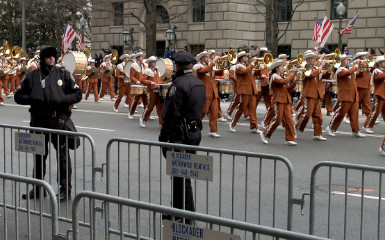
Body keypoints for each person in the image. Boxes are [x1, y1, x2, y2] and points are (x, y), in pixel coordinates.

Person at [14, 46, 82, 201]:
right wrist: (33, 98)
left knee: (63, 157)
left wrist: (62, 99)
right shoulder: (32, 76)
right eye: (48, 56)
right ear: (42, 58)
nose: (52, 58)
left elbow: (78, 94)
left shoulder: (63, 74)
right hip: (39, 122)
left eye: (53, 56)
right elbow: (18, 96)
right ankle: (38, 189)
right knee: (38, 157)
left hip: (58, 121)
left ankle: (65, 190)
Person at [159, 51, 205, 216]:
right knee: (184, 174)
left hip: (179, 134)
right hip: (194, 133)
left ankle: (184, 214)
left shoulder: (178, 85)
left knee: (179, 176)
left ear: (177, 66)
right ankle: (181, 211)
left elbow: (170, 114)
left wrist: (163, 138)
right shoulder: (199, 83)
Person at [325, 54, 366, 138]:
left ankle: (356, 130)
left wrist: (362, 68)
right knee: (341, 113)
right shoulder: (340, 70)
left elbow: (359, 75)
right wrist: (356, 65)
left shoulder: (348, 70)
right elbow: (347, 73)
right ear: (341, 61)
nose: (349, 61)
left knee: (354, 114)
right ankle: (330, 128)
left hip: (353, 95)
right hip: (345, 96)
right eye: (346, 60)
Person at [260, 60, 298, 145]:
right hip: (278, 100)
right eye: (281, 67)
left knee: (289, 120)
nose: (283, 68)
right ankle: (265, 133)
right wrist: (292, 74)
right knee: (278, 119)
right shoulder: (274, 76)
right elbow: (283, 82)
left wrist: (294, 82)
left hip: (285, 100)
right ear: (277, 68)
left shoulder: (281, 76)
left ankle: (289, 139)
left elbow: (287, 88)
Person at [295, 50, 327, 141]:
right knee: (307, 114)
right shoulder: (306, 68)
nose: (314, 59)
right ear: (308, 60)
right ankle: (295, 128)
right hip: (309, 94)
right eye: (312, 58)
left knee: (318, 116)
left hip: (317, 94)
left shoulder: (316, 67)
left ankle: (317, 134)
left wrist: (328, 69)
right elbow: (311, 75)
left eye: (314, 58)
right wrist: (321, 66)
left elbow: (324, 76)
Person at [229, 51, 259, 132]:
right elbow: (245, 71)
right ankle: (232, 123)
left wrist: (258, 66)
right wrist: (252, 63)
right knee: (241, 108)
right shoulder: (238, 66)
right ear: (240, 58)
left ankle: (254, 127)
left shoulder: (247, 66)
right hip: (244, 90)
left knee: (253, 109)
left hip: (252, 90)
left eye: (246, 56)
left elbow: (256, 73)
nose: (246, 58)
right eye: (245, 57)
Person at [193, 50, 221, 137]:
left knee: (214, 112)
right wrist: (213, 62)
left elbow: (220, 73)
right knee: (203, 111)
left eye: (208, 57)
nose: (208, 58)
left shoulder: (210, 66)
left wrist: (220, 65)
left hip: (213, 92)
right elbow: (205, 70)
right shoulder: (198, 66)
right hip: (204, 92)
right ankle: (193, 125)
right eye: (206, 57)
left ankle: (213, 131)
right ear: (201, 58)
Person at [140, 56, 167, 127]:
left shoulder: (157, 71)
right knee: (150, 107)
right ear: (150, 63)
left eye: (155, 62)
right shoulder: (147, 70)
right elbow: (142, 80)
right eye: (153, 62)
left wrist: (166, 83)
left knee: (160, 107)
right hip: (151, 91)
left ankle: (161, 123)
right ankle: (143, 119)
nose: (155, 63)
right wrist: (150, 82)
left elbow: (160, 81)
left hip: (159, 91)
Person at [362, 56, 385, 134]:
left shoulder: (382, 71)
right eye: (383, 62)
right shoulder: (376, 70)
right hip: (379, 94)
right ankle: (367, 126)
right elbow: (380, 77)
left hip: (384, 93)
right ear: (379, 63)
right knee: (376, 112)